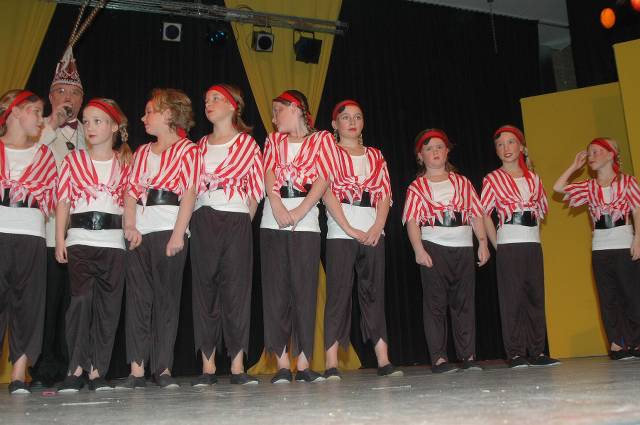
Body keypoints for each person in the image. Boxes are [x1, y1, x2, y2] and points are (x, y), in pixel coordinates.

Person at [117, 88, 199, 389]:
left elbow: (189, 193)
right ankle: (137, 370)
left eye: (149, 111)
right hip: (141, 231)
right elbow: (130, 192)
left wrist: (178, 234)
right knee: (138, 299)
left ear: (168, 114)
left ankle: (162, 368)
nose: (143, 117)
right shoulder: (142, 152)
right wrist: (130, 226)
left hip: (168, 229)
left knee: (166, 300)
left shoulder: (188, 150)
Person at [260, 90, 337, 384]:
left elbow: (324, 177)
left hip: (306, 224)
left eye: (277, 110)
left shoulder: (322, 140)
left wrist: (301, 210)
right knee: (276, 292)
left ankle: (304, 363)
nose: (273, 117)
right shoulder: (273, 140)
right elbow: (269, 172)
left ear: (295, 108)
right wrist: (277, 205)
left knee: (305, 292)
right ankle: (281, 363)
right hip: (273, 221)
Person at [55, 98, 132, 392]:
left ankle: (98, 370)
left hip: (113, 244)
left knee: (108, 308)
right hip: (80, 240)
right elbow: (63, 201)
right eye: (86, 121)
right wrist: (60, 239)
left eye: (98, 121)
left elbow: (130, 202)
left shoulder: (125, 162)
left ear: (114, 126)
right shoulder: (73, 161)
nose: (90, 127)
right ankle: (75, 368)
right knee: (80, 303)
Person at [321, 99, 400, 380]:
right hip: (341, 231)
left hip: (373, 231)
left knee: (374, 294)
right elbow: (326, 192)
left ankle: (383, 359)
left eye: (357, 116)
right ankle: (331, 362)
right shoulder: (329, 153)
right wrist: (348, 227)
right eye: (346, 117)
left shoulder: (375, 155)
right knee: (338, 295)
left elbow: (385, 193)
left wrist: (378, 226)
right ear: (335, 124)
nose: (352, 122)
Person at [190, 84, 263, 386]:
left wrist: (241, 222)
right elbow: (190, 189)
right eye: (206, 99)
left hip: (236, 218)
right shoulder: (198, 146)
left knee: (236, 291)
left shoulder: (247, 145)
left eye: (216, 98)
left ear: (233, 105)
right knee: (204, 290)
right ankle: (208, 366)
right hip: (203, 218)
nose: (209, 103)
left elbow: (256, 191)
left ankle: (237, 365)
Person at [403, 128, 490, 374]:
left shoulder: (462, 182)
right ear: (420, 156)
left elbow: (476, 214)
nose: (435, 152)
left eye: (439, 147)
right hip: (434, 246)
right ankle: (439, 358)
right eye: (429, 149)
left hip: (463, 247)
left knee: (464, 303)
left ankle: (468, 355)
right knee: (435, 304)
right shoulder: (417, 187)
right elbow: (412, 221)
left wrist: (482, 242)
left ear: (447, 151)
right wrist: (419, 250)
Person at [553, 137, 640, 360]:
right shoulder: (589, 187)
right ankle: (617, 344)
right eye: (589, 152)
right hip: (600, 247)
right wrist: (574, 166)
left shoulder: (628, 182)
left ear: (611, 154)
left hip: (624, 243)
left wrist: (638, 238)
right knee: (608, 297)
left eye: (596, 152)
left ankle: (636, 341)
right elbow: (558, 188)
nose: (591, 157)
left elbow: (637, 210)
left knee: (631, 294)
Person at [481, 125, 560, 368]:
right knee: (512, 299)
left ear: (521, 147)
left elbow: (541, 212)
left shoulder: (533, 179)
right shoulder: (492, 179)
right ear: (496, 151)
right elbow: (485, 214)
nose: (506, 148)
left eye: (510, 142)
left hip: (532, 243)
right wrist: (497, 244)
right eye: (500, 145)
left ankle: (537, 351)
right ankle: (515, 353)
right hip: (509, 242)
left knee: (535, 296)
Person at [32, 46, 87, 387]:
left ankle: (73, 367)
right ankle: (41, 367)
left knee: (74, 304)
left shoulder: (90, 132)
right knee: (46, 303)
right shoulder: (38, 128)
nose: (68, 98)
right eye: (62, 91)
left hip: (80, 233)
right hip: (48, 229)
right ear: (51, 96)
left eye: (75, 93)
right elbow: (28, 155)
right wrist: (52, 123)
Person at [0, 89, 57, 394]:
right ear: (14, 112)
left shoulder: (44, 155)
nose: (40, 118)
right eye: (35, 111)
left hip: (31, 233)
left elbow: (52, 196)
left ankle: (20, 373)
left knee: (28, 303)